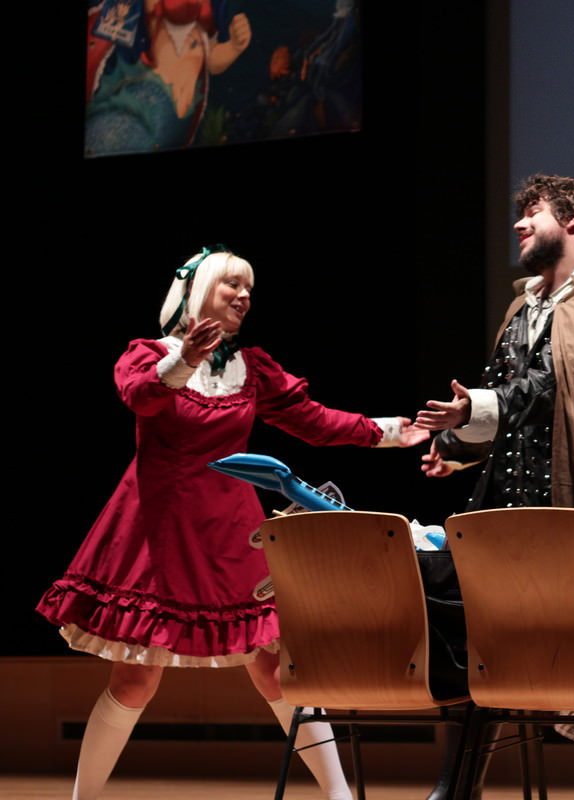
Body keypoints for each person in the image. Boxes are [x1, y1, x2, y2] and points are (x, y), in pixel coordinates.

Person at [36, 247, 429, 800]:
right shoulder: (149, 355)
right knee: (134, 679)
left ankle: (340, 797)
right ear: (198, 291)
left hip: (230, 531)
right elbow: (141, 398)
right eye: (232, 285)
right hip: (159, 530)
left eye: (249, 289)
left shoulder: (250, 368)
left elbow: (313, 421)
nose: (244, 296)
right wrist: (185, 360)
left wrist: (385, 431)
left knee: (276, 669)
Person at [416, 174, 574, 800]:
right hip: (506, 512)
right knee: (480, 645)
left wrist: (476, 408)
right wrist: (458, 446)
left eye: (533, 211)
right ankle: (456, 789)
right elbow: (510, 398)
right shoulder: (524, 307)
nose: (519, 223)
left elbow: (563, 388)